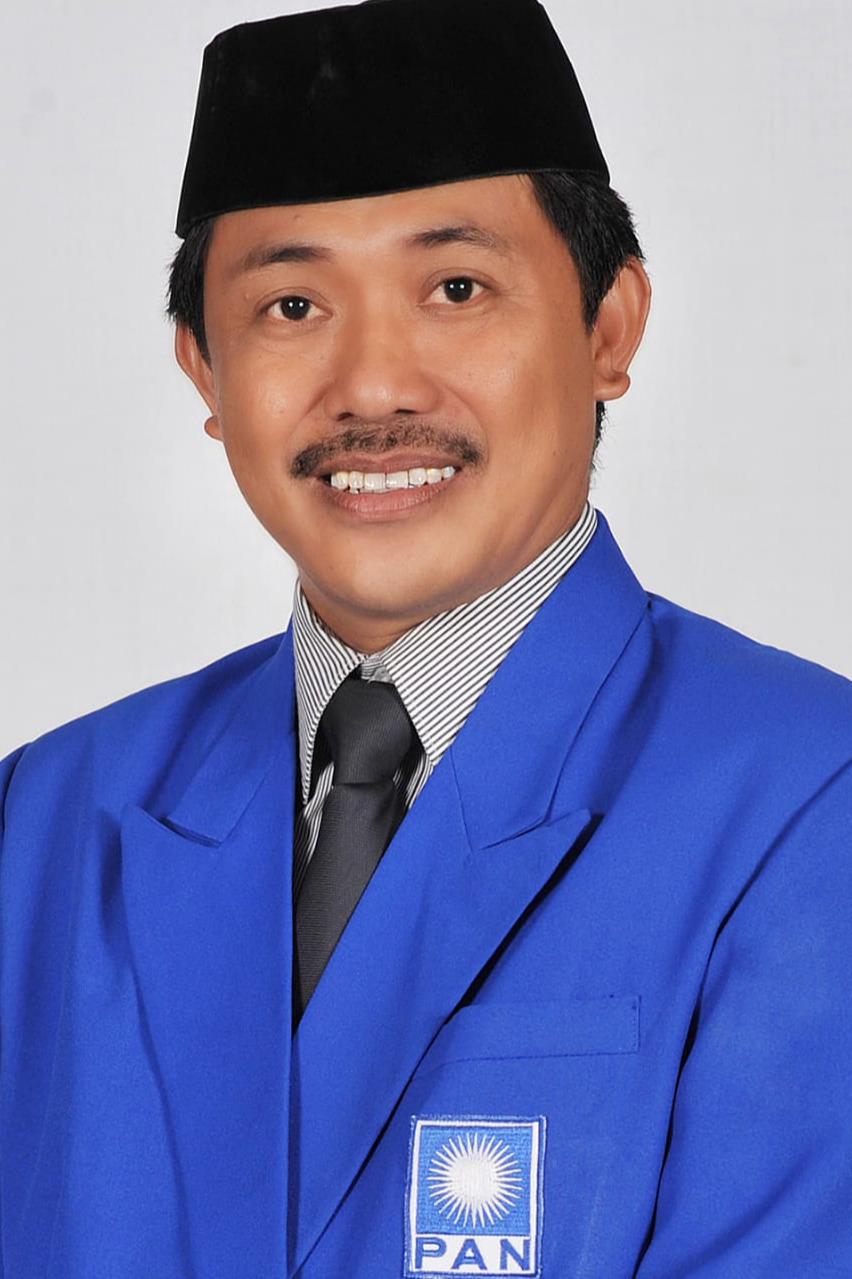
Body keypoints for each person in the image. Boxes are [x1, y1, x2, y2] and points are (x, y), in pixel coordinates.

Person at [1, 0, 850, 1274]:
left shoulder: (810, 803)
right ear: (204, 370)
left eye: (457, 288)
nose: (375, 387)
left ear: (609, 327)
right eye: (292, 305)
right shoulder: (43, 821)